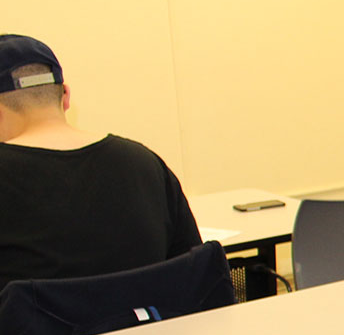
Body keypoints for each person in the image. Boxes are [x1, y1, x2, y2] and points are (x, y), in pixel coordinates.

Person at [0, 34, 201, 291]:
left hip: (37, 332)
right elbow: (195, 276)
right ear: (65, 95)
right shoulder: (144, 163)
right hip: (149, 329)